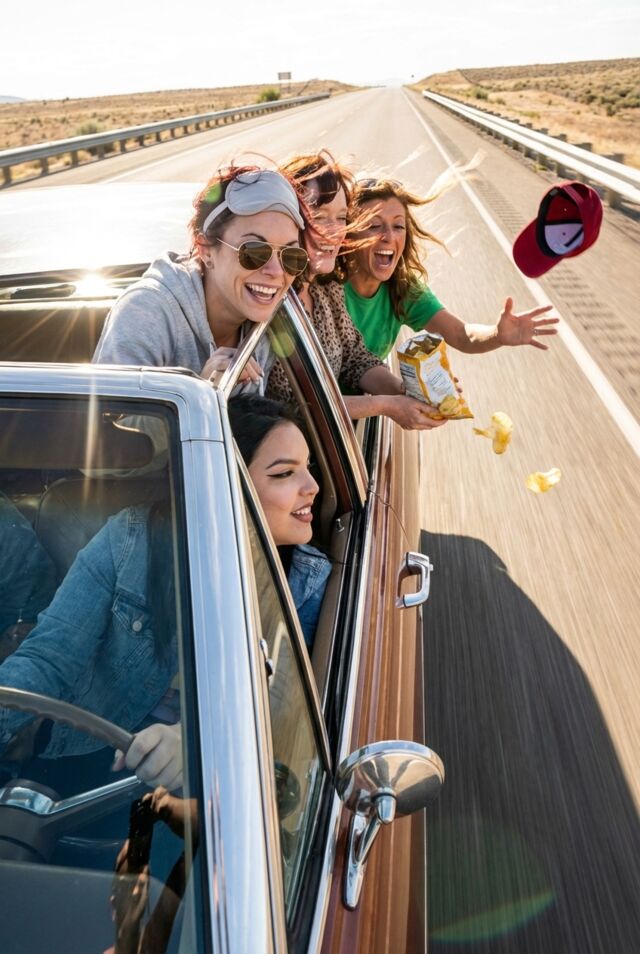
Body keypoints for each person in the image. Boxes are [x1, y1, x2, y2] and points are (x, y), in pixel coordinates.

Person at [0, 398, 329, 789]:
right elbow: (50, 657)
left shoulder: (306, 581)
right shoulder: (129, 539)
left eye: (307, 467)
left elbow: (285, 700)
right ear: (223, 483)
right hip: (93, 747)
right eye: (285, 473)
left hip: (217, 777)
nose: (313, 487)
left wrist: (194, 737)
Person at [267, 153, 447, 431]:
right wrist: (387, 406)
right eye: (319, 217)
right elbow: (287, 406)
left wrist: (408, 392)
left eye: (341, 218)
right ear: (288, 221)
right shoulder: (267, 297)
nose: (334, 232)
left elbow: (355, 357)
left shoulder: (326, 291)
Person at [93, 167, 310, 391]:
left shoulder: (271, 322)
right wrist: (198, 392)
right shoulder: (145, 312)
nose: (276, 271)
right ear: (205, 250)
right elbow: (112, 410)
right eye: (254, 252)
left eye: (291, 256)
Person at [344, 177, 559, 360]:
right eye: (374, 226)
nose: (389, 237)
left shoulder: (402, 288)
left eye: (398, 226)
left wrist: (497, 334)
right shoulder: (330, 286)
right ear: (349, 234)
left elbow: (460, 334)